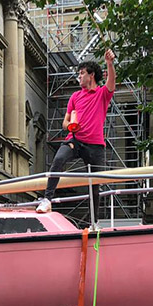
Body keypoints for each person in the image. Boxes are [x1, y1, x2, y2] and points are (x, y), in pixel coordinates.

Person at [36, 49, 116, 222]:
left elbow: (111, 83)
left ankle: (94, 223)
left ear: (91, 75)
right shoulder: (75, 96)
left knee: (94, 185)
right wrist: (70, 126)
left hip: (95, 145)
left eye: (81, 74)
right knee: (58, 160)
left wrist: (109, 63)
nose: (79, 77)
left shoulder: (102, 93)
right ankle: (47, 199)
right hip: (75, 140)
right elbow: (65, 122)